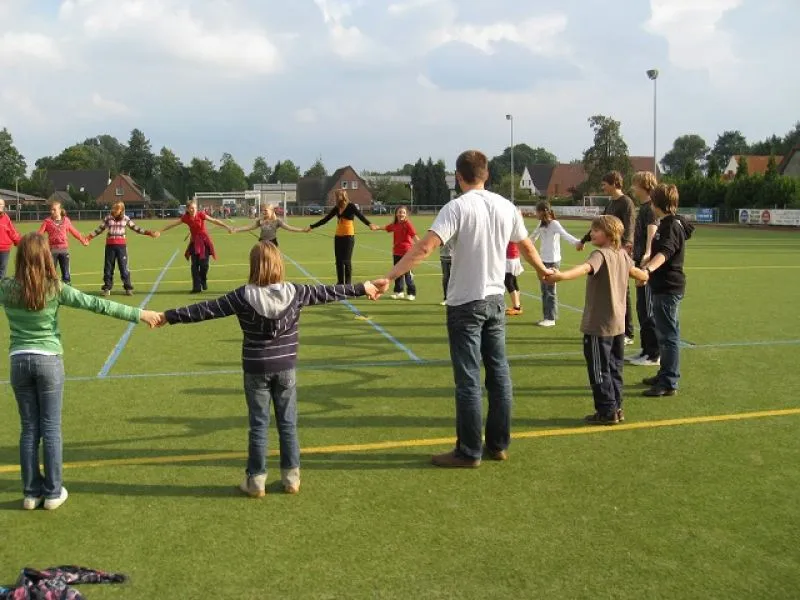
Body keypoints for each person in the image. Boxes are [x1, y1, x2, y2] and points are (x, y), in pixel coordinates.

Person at [154, 241, 380, 497]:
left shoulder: (242, 296)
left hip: (255, 368)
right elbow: (329, 291)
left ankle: (256, 481)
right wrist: (364, 287)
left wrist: (168, 316)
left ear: (253, 266)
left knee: (259, 425)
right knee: (288, 424)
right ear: (279, 265)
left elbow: (206, 309)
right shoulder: (297, 292)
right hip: (286, 368)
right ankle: (291, 478)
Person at [375, 149, 552, 468]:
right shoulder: (506, 206)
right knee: (499, 374)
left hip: (465, 303)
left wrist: (389, 276)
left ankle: (469, 451)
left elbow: (425, 248)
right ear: (487, 174)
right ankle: (498, 444)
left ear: (459, 177)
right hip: (495, 301)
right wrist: (542, 270)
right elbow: (525, 245)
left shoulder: (456, 207)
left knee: (469, 378)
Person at [1, 233, 160, 511]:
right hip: (48, 361)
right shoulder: (55, 288)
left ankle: (31, 493)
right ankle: (52, 493)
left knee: (29, 429)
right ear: (46, 257)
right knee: (50, 427)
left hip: (19, 362)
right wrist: (140, 314)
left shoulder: (6, 287)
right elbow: (97, 304)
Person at [544, 216, 649, 425]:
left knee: (599, 370)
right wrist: (644, 277)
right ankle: (617, 407)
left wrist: (560, 276)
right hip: (618, 326)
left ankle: (607, 411)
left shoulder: (599, 254)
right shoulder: (622, 255)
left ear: (609, 234)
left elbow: (584, 268)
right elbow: (637, 273)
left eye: (596, 230)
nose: (591, 234)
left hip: (599, 326)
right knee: (615, 368)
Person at [640, 184, 694, 397]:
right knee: (664, 333)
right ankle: (665, 373)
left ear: (656, 203)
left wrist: (648, 269)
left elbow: (666, 252)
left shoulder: (671, 226)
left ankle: (669, 381)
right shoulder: (669, 223)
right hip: (663, 286)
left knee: (668, 336)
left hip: (668, 288)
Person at [577, 171, 635, 344]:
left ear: (614, 183)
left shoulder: (626, 202)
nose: (602, 187)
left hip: (620, 251)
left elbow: (629, 227)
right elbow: (600, 225)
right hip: (609, 251)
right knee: (611, 293)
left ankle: (627, 332)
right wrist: (584, 240)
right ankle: (614, 328)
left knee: (623, 292)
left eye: (604, 184)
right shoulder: (610, 203)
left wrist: (625, 248)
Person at [86, 201, 160, 297]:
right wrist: (89, 237)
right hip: (110, 246)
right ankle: (107, 288)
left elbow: (136, 228)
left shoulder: (126, 218)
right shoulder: (108, 218)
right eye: (114, 208)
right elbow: (99, 229)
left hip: (121, 246)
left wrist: (149, 233)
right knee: (108, 268)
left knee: (123, 267)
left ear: (121, 210)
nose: (114, 210)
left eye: (117, 209)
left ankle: (128, 288)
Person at [307, 189, 379, 285]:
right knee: (338, 261)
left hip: (348, 236)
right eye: (336, 196)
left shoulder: (351, 206)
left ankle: (348, 283)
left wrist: (370, 224)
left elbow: (360, 216)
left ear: (343, 196)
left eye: (338, 196)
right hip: (338, 236)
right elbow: (326, 219)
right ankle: (340, 283)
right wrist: (312, 226)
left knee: (346, 261)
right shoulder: (337, 208)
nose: (336, 198)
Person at [160, 199, 232, 293]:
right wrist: (160, 231)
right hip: (194, 243)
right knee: (194, 266)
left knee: (204, 264)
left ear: (196, 208)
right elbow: (173, 224)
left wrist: (227, 226)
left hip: (204, 242)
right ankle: (196, 287)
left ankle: (203, 280)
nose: (193, 210)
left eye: (194, 208)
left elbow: (214, 220)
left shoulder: (201, 215)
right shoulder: (185, 218)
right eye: (191, 208)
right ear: (187, 209)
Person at [529, 201, 581, 327]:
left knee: (550, 290)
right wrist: (522, 244)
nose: (536, 214)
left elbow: (565, 234)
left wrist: (577, 242)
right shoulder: (541, 224)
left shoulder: (554, 224)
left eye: (537, 211)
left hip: (552, 261)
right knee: (544, 290)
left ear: (542, 212)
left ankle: (551, 318)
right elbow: (533, 237)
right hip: (542, 260)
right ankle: (546, 316)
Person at [628, 172, 660, 366]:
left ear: (644, 186)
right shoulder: (644, 207)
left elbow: (652, 231)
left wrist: (647, 254)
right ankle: (645, 350)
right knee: (641, 308)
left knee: (648, 309)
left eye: (635, 185)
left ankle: (654, 354)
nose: (633, 188)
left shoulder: (651, 208)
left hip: (646, 265)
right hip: (639, 260)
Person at [37, 201, 88, 284]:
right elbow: (39, 234)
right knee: (50, 273)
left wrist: (82, 240)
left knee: (66, 274)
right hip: (52, 251)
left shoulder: (66, 221)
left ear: (60, 210)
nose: (52, 211)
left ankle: (67, 287)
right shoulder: (47, 221)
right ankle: (50, 288)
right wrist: (34, 243)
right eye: (51, 210)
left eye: (54, 210)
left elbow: (74, 232)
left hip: (64, 250)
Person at [383, 205, 419, 301]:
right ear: (396, 214)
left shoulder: (408, 224)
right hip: (396, 252)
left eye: (403, 212)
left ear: (406, 214)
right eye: (399, 212)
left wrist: (421, 246)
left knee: (408, 274)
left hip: (407, 252)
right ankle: (399, 292)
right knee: (397, 273)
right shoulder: (395, 224)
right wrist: (377, 227)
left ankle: (411, 293)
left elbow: (414, 236)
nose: (401, 214)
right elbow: (387, 228)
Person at [230, 203, 307, 246]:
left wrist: (302, 230)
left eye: (266, 210)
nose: (263, 212)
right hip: (262, 242)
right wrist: (236, 230)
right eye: (262, 211)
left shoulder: (277, 221)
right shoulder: (260, 221)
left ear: (272, 211)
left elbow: (289, 228)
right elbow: (249, 227)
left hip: (272, 243)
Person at [0, 198, 21, 278]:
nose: (0, 206)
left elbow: (13, 233)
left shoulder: (6, 219)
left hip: (4, 250)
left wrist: (20, 243)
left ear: (4, 206)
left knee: (2, 272)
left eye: (1, 204)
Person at [504, 241, 523, 316]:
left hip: (510, 257)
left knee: (508, 282)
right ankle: (517, 305)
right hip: (513, 256)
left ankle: (516, 307)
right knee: (513, 281)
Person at [438, 240, 453, 307]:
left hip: (454, 257)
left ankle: (456, 298)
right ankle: (446, 298)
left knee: (455, 278)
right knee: (446, 278)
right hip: (444, 256)